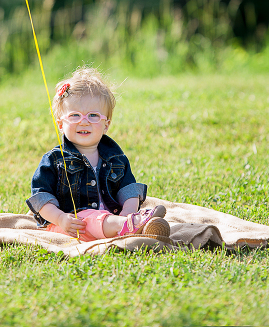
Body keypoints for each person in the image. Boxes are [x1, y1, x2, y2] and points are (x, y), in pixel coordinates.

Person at [26, 67, 170, 241]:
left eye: (93, 115)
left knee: (110, 217)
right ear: (60, 124)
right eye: (75, 115)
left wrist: (127, 211)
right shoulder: (54, 160)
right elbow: (42, 198)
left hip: (109, 219)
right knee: (91, 218)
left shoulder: (115, 158)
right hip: (71, 226)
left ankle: (134, 225)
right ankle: (130, 225)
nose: (84, 122)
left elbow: (129, 190)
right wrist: (60, 218)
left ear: (106, 124)